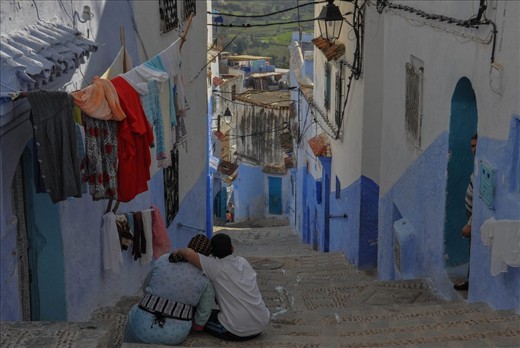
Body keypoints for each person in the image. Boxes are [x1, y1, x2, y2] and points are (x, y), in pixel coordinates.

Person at [174, 233, 269, 341]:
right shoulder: (243, 262)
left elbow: (187, 253)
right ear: (232, 248)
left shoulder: (215, 267)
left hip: (237, 331)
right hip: (262, 323)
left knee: (198, 315)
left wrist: (177, 252)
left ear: (212, 253)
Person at [124, 235, 214, 345]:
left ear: (188, 247)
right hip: (174, 335)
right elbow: (204, 312)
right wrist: (197, 327)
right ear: (206, 256)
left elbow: (145, 287)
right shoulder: (204, 277)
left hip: (140, 328)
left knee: (134, 312)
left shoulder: (164, 259)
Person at [454, 133, 478, 291]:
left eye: (476, 145)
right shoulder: (477, 163)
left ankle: (471, 282)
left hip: (473, 219)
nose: (473, 149)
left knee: (474, 249)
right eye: (472, 146)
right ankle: (469, 280)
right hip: (469, 213)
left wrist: (470, 224)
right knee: (471, 248)